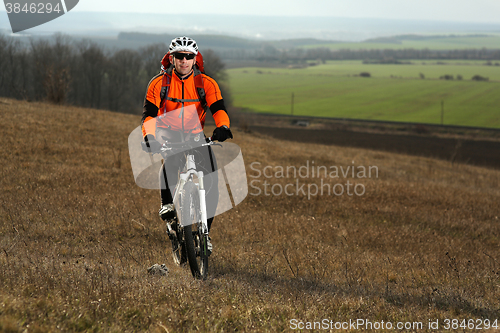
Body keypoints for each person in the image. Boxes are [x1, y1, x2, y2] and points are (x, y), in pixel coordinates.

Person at [141, 36, 232, 254]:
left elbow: (218, 109)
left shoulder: (206, 83)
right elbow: (149, 116)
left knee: (212, 183)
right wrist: (150, 137)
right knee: (171, 164)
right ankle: (167, 206)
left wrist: (223, 127)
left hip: (195, 136)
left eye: (188, 56)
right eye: (179, 56)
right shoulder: (159, 83)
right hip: (168, 136)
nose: (184, 60)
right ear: (171, 59)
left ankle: (205, 236)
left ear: (195, 59)